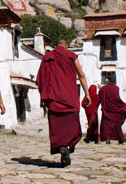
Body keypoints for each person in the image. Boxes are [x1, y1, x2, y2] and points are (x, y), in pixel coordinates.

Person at [36, 38, 90, 167]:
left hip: (53, 99)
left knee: (57, 127)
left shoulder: (48, 57)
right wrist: (87, 93)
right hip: (69, 98)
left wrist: (43, 98)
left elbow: (40, 79)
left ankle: (61, 146)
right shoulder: (71, 55)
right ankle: (67, 146)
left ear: (56, 46)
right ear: (66, 47)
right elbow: (81, 75)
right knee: (73, 126)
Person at [99, 75, 126, 144]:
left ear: (108, 80)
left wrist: (100, 89)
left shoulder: (104, 88)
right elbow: (117, 99)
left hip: (107, 109)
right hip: (115, 109)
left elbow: (101, 96)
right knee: (116, 125)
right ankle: (120, 139)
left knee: (107, 126)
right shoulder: (116, 88)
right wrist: (122, 105)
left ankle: (107, 139)